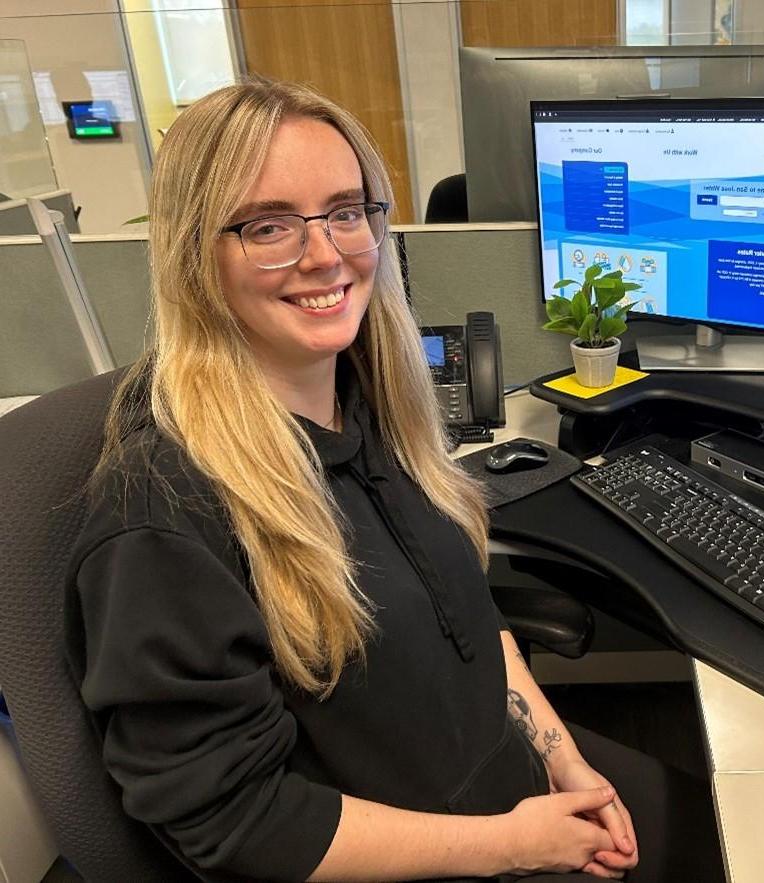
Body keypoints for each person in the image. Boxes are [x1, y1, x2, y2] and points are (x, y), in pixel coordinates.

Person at [64, 79, 722, 882]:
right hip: (426, 858)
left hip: (509, 792)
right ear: (197, 255)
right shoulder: (165, 510)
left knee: (730, 833)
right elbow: (236, 821)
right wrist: (517, 844)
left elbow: (474, 631)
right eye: (269, 225)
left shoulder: (372, 410)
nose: (326, 253)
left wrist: (564, 758)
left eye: (347, 211)